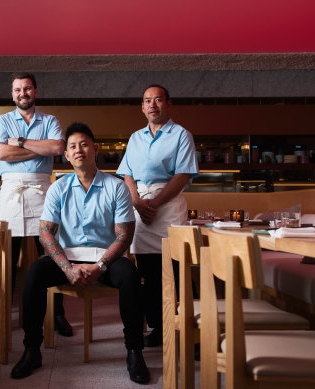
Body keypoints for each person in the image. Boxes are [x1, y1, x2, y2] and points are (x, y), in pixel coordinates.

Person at [11, 122, 150, 384]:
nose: (78, 150)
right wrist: (67, 268)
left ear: (95, 149)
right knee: (35, 272)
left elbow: (124, 235)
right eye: (72, 146)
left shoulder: (116, 186)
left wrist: (99, 266)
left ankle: (134, 351)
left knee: (130, 275)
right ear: (66, 155)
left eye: (84, 144)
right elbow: (46, 233)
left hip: (106, 258)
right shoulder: (58, 188)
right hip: (68, 258)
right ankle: (32, 349)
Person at [117, 85, 198, 347]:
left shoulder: (181, 135)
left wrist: (155, 203)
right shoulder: (135, 137)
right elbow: (128, 173)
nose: (152, 105)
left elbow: (182, 175)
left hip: (169, 206)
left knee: (176, 271)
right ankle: (159, 327)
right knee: (148, 273)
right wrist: (137, 202)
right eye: (147, 101)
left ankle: (192, 331)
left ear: (168, 104)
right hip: (140, 208)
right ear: (142, 107)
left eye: (158, 100)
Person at [0, 72, 72, 336]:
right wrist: (39, 148)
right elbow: (1, 152)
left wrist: (22, 143)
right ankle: (4, 312)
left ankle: (57, 313)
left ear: (35, 91)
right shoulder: (2, 120)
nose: (22, 94)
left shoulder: (50, 120)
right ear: (12, 94)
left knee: (52, 252)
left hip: (42, 190)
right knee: (8, 256)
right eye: (17, 90)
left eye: (27, 89)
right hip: (11, 191)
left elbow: (58, 148)